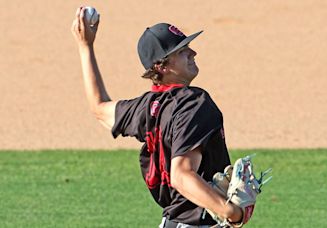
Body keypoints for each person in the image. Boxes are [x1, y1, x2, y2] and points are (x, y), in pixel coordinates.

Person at [71, 6, 243, 227]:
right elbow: (181, 176)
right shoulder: (194, 103)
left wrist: (85, 46)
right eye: (182, 51)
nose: (193, 53)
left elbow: (99, 107)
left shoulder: (147, 106)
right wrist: (232, 212)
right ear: (162, 66)